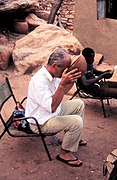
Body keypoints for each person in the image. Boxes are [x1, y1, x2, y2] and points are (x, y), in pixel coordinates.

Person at [25, 47, 86, 167]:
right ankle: (64, 153)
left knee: (79, 104)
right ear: (54, 65)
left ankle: (73, 139)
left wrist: (72, 79)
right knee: (76, 121)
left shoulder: (52, 75)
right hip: (40, 122)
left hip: (50, 113)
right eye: (64, 69)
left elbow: (62, 92)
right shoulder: (39, 81)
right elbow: (52, 106)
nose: (65, 72)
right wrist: (62, 85)